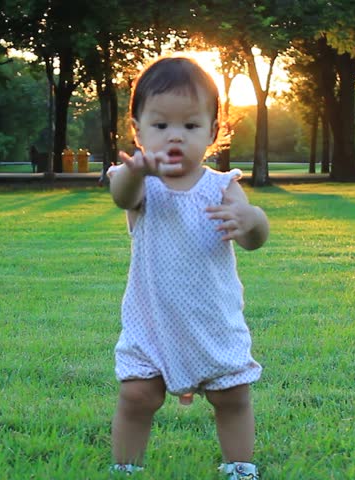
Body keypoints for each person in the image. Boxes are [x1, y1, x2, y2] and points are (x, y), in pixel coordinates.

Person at [106, 56, 269, 479]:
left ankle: (239, 466)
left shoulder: (222, 185)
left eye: (191, 126)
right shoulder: (141, 184)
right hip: (152, 319)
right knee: (138, 394)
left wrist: (252, 221)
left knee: (232, 396)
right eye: (160, 126)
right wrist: (136, 170)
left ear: (213, 132)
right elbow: (122, 197)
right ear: (138, 131)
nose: (175, 137)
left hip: (212, 318)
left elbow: (253, 237)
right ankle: (126, 467)